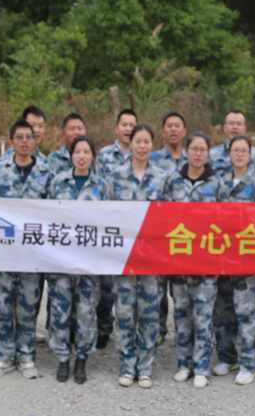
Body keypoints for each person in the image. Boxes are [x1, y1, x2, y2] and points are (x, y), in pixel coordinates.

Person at [0, 119, 54, 380]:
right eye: (20, 137)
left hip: (32, 254)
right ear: (12, 140)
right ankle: (4, 356)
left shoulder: (45, 172)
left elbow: (54, 210)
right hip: (2, 251)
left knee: (27, 306)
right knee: (3, 305)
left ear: (35, 141)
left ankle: (26, 356)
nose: (25, 141)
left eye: (29, 137)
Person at [45, 136, 108, 384]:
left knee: (86, 311)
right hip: (60, 260)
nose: (82, 156)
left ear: (92, 157)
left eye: (86, 151)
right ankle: (62, 358)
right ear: (71, 155)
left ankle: (82, 358)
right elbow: (44, 216)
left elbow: (112, 220)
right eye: (77, 151)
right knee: (60, 310)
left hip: (89, 261)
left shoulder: (102, 186)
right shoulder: (58, 182)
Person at [163, 132, 220, 389]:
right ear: (186, 151)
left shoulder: (216, 183)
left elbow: (227, 222)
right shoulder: (173, 181)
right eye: (194, 149)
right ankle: (184, 364)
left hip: (206, 262)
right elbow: (162, 218)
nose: (198, 154)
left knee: (204, 316)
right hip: (179, 261)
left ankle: (202, 366)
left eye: (202, 149)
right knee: (182, 315)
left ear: (208, 153)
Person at [111, 124, 166, 389]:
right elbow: (101, 213)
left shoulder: (162, 177)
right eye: (138, 141)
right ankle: (126, 365)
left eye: (147, 142)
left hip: (151, 260)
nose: (142, 146)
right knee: (124, 314)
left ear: (152, 146)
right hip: (123, 258)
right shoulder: (116, 176)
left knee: (149, 314)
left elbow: (175, 216)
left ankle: (145, 367)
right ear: (130, 144)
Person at [213, 135, 255, 385]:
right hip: (221, 256)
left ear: (250, 155)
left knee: (246, 311)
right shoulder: (220, 182)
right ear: (229, 153)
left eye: (244, 150)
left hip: (246, 258)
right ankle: (226, 356)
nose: (240, 154)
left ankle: (249, 362)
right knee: (223, 311)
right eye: (235, 150)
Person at [93, 107, 138, 351]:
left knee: (128, 283)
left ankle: (132, 333)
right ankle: (103, 328)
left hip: (136, 230)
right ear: (116, 128)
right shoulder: (104, 155)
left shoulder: (142, 153)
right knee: (105, 284)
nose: (128, 129)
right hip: (109, 226)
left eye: (132, 125)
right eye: (124, 124)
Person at [149, 111, 188, 344]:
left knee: (181, 289)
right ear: (163, 131)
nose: (173, 130)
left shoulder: (194, 157)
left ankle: (182, 334)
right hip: (158, 234)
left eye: (178, 126)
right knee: (156, 288)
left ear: (184, 131)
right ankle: (158, 331)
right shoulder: (152, 159)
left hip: (185, 236)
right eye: (169, 126)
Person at [208, 110, 255, 174]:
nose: (235, 127)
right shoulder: (212, 154)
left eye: (239, 124)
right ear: (224, 128)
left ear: (245, 128)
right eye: (231, 123)